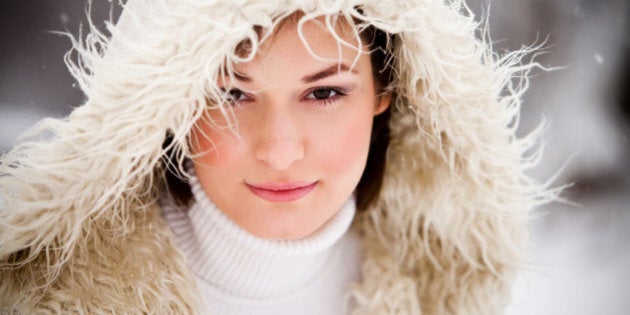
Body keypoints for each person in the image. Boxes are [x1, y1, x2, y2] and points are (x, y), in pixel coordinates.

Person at [0, 0, 557, 314]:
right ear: (171, 102)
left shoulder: (440, 295)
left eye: (324, 92)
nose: (279, 150)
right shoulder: (41, 296)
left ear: (385, 92)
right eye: (232, 94)